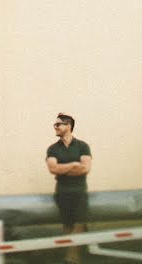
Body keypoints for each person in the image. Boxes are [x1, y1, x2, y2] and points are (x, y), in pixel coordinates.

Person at [45, 112, 92, 264]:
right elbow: (53, 169)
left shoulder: (82, 146)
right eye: (55, 125)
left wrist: (62, 168)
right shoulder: (52, 149)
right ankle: (72, 258)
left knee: (80, 223)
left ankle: (71, 257)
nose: (55, 127)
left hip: (79, 192)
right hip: (62, 192)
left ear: (68, 126)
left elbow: (85, 169)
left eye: (58, 124)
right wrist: (73, 165)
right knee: (67, 225)